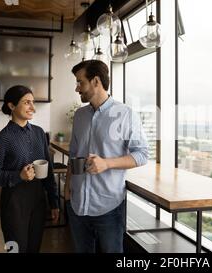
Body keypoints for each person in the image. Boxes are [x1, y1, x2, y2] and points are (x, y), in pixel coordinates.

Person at [64, 60, 149, 253]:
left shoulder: (125, 114)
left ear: (95, 81)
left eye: (80, 82)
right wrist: (68, 190)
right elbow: (73, 154)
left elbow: (142, 154)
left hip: (108, 207)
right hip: (77, 205)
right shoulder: (79, 115)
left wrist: (107, 164)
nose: (77, 88)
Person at [0, 85, 59, 253]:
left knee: (34, 248)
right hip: (13, 204)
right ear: (12, 106)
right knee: (15, 250)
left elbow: (48, 171)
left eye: (33, 102)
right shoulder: (2, 138)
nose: (33, 108)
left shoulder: (40, 133)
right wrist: (18, 176)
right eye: (27, 102)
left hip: (38, 202)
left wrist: (54, 202)